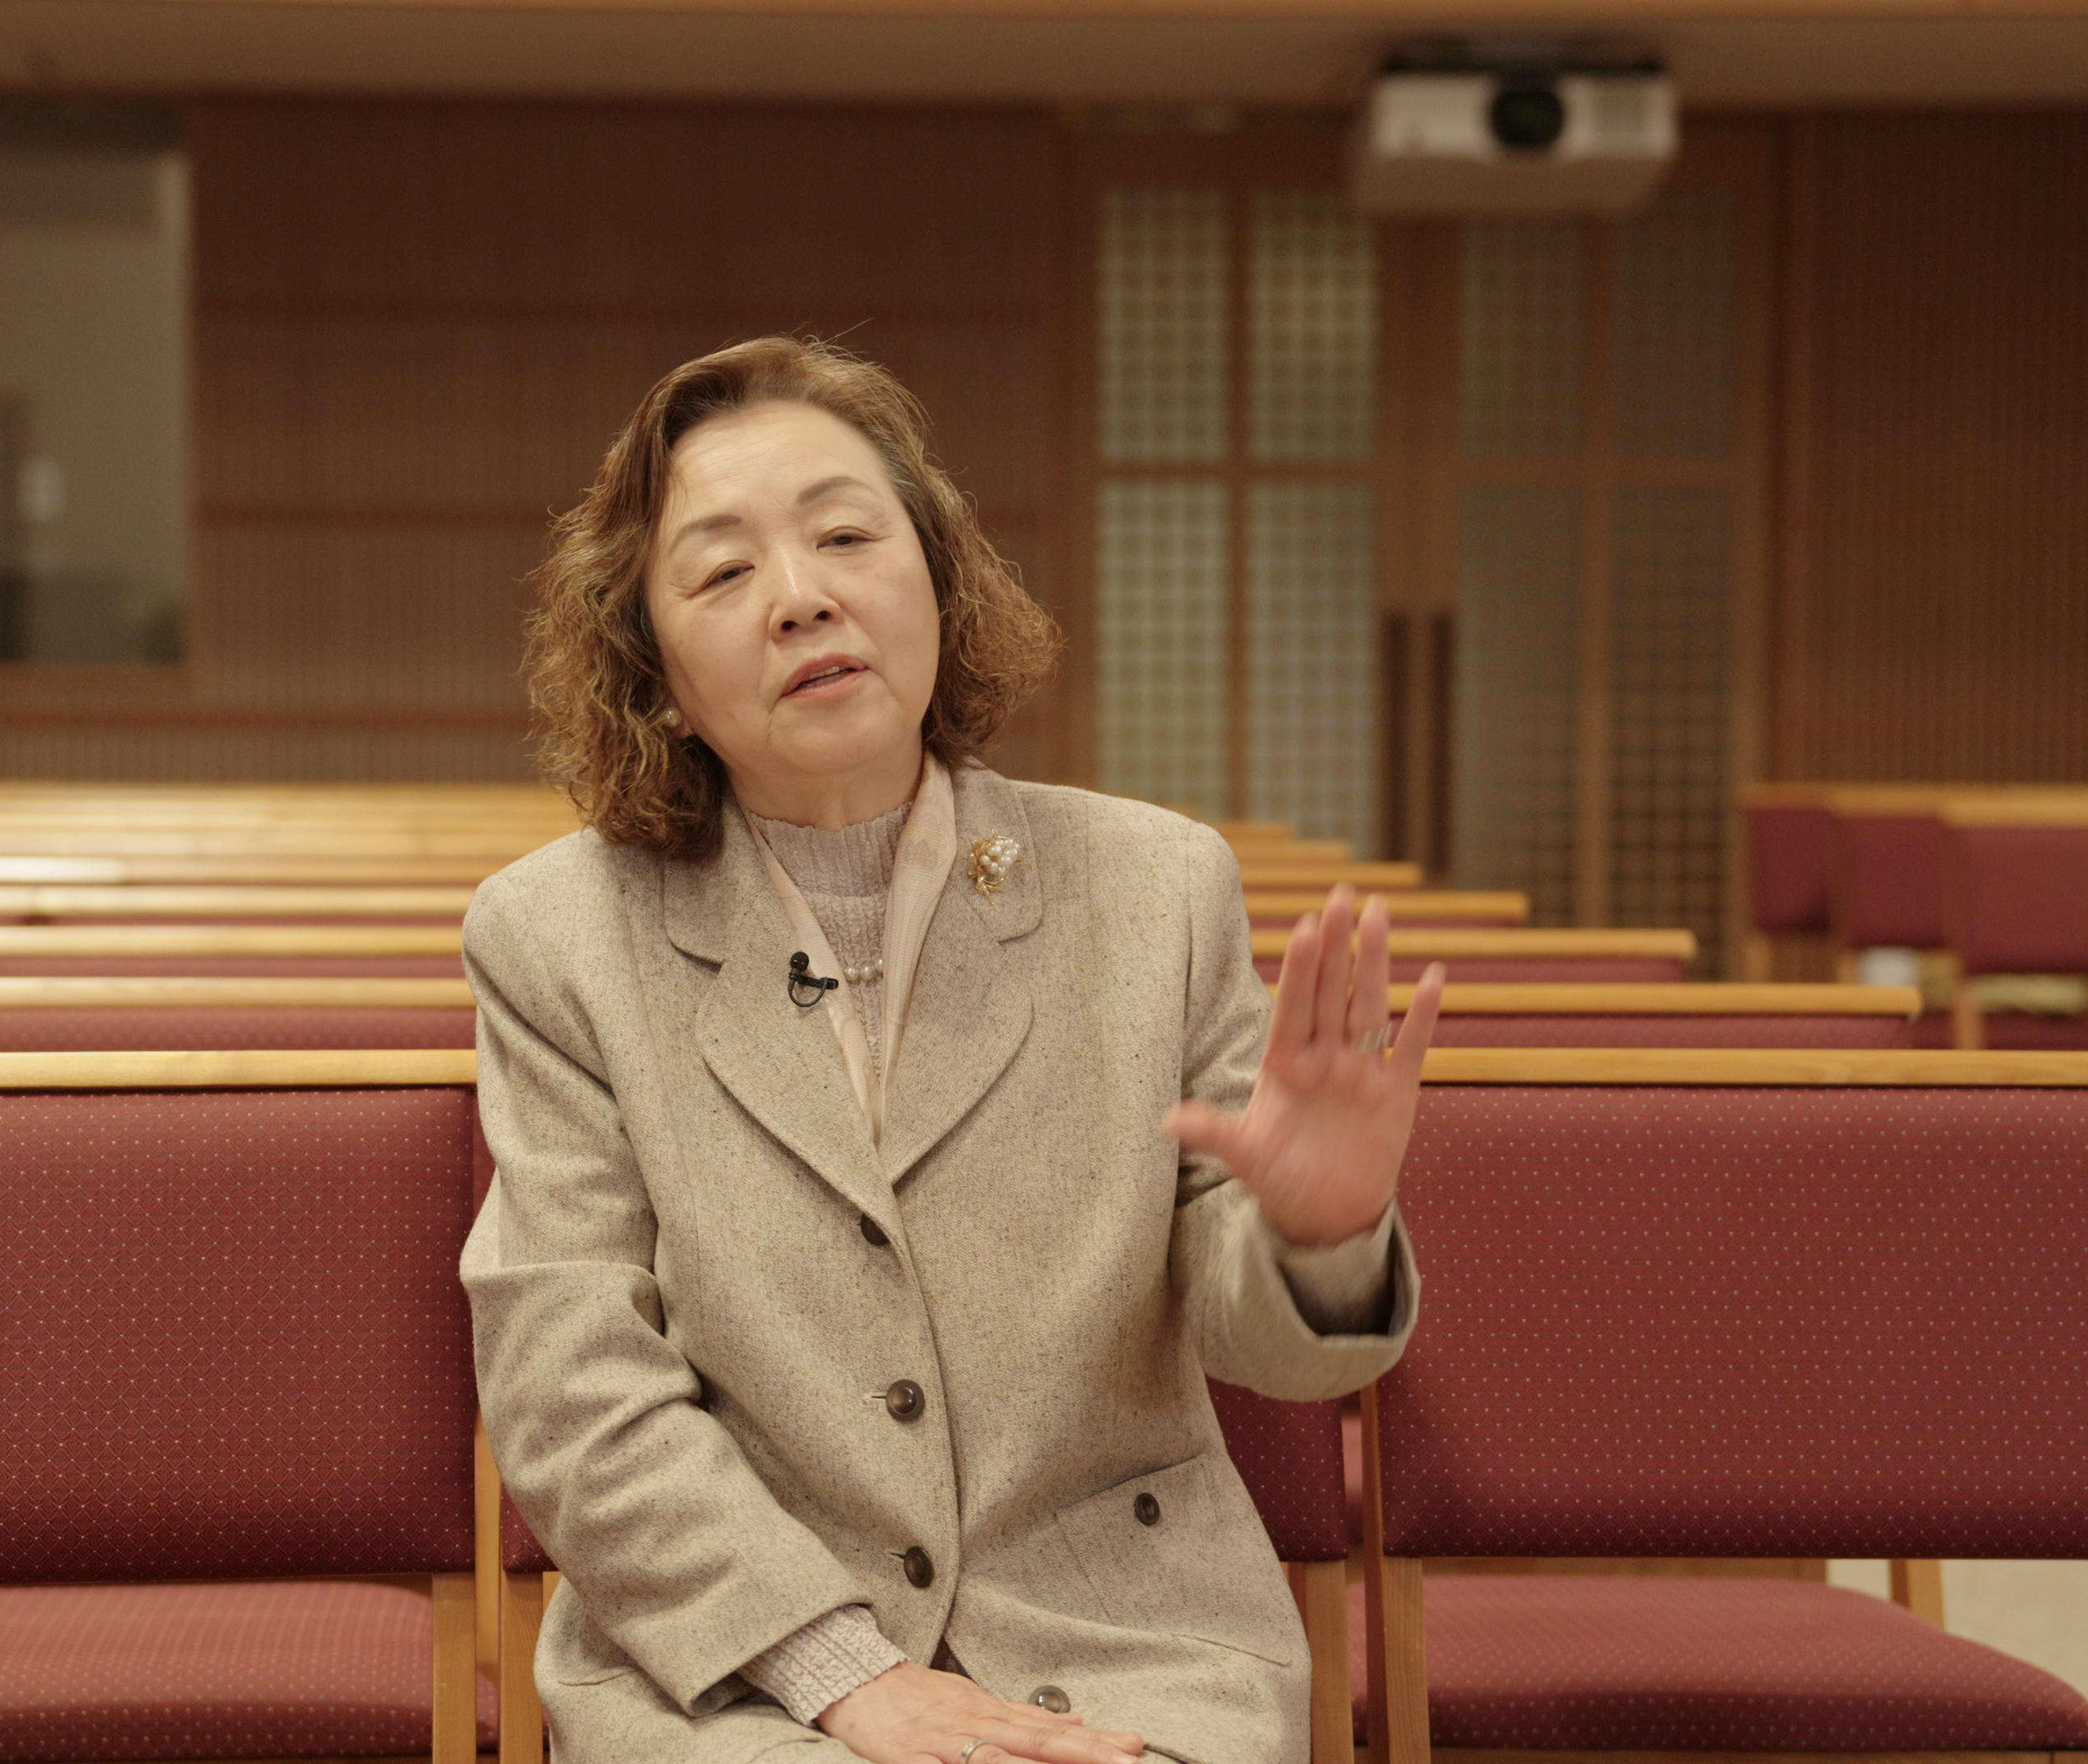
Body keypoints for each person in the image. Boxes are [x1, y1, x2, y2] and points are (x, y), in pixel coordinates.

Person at [461, 336, 1443, 1764]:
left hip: (1129, 1646)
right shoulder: (557, 938)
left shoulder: (1159, 889)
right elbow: (572, 1386)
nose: (801, 597)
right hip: (740, 1668)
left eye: (847, 537)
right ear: (652, 672)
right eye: (723, 573)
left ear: (939, 577)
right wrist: (844, 1674)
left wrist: (1319, 1235)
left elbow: (1272, 1351)